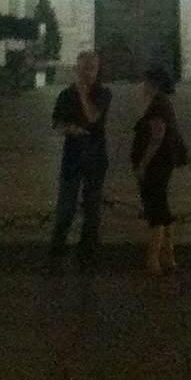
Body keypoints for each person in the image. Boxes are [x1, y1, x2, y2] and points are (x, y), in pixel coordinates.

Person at [48, 48, 111, 263]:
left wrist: (83, 94)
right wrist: (69, 129)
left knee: (92, 208)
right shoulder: (65, 95)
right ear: (77, 69)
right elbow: (56, 122)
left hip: (95, 156)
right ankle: (57, 250)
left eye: (92, 68)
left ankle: (88, 252)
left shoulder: (103, 94)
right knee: (66, 206)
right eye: (84, 68)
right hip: (73, 157)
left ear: (97, 70)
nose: (87, 73)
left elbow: (93, 117)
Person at [131, 64, 187, 275]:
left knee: (155, 210)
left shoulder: (157, 104)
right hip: (164, 162)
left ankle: (153, 259)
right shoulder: (163, 102)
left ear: (152, 84)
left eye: (144, 82)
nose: (141, 86)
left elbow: (156, 136)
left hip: (156, 165)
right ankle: (168, 256)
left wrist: (143, 165)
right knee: (162, 207)